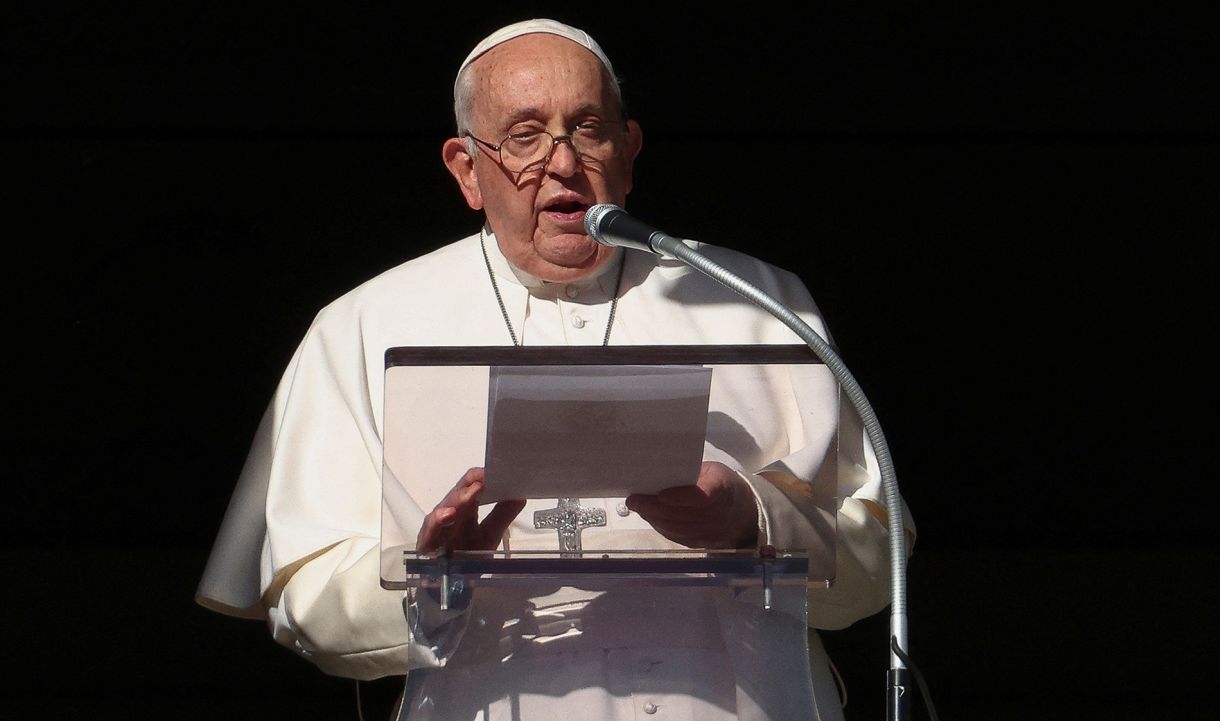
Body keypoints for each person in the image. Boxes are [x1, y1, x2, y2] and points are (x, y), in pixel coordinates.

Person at [197, 18, 910, 721]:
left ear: (627, 152)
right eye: (524, 136)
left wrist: (752, 525)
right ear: (466, 170)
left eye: (588, 128)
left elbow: (880, 564)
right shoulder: (361, 327)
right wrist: (434, 575)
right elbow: (307, 603)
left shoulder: (758, 304)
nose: (563, 164)